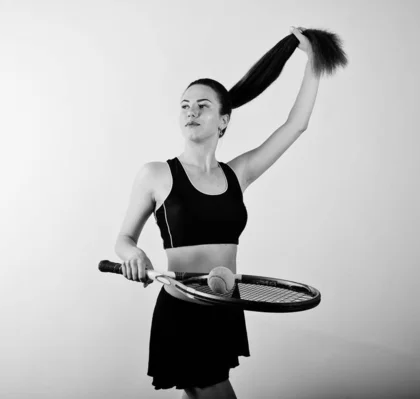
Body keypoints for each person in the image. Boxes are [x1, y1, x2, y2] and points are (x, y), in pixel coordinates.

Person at [115, 27, 321, 399]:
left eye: (203, 105)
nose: (191, 111)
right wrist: (134, 255)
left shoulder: (237, 174)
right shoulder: (156, 174)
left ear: (224, 120)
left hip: (225, 306)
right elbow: (123, 239)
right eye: (185, 105)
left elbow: (296, 125)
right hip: (182, 311)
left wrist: (314, 61)